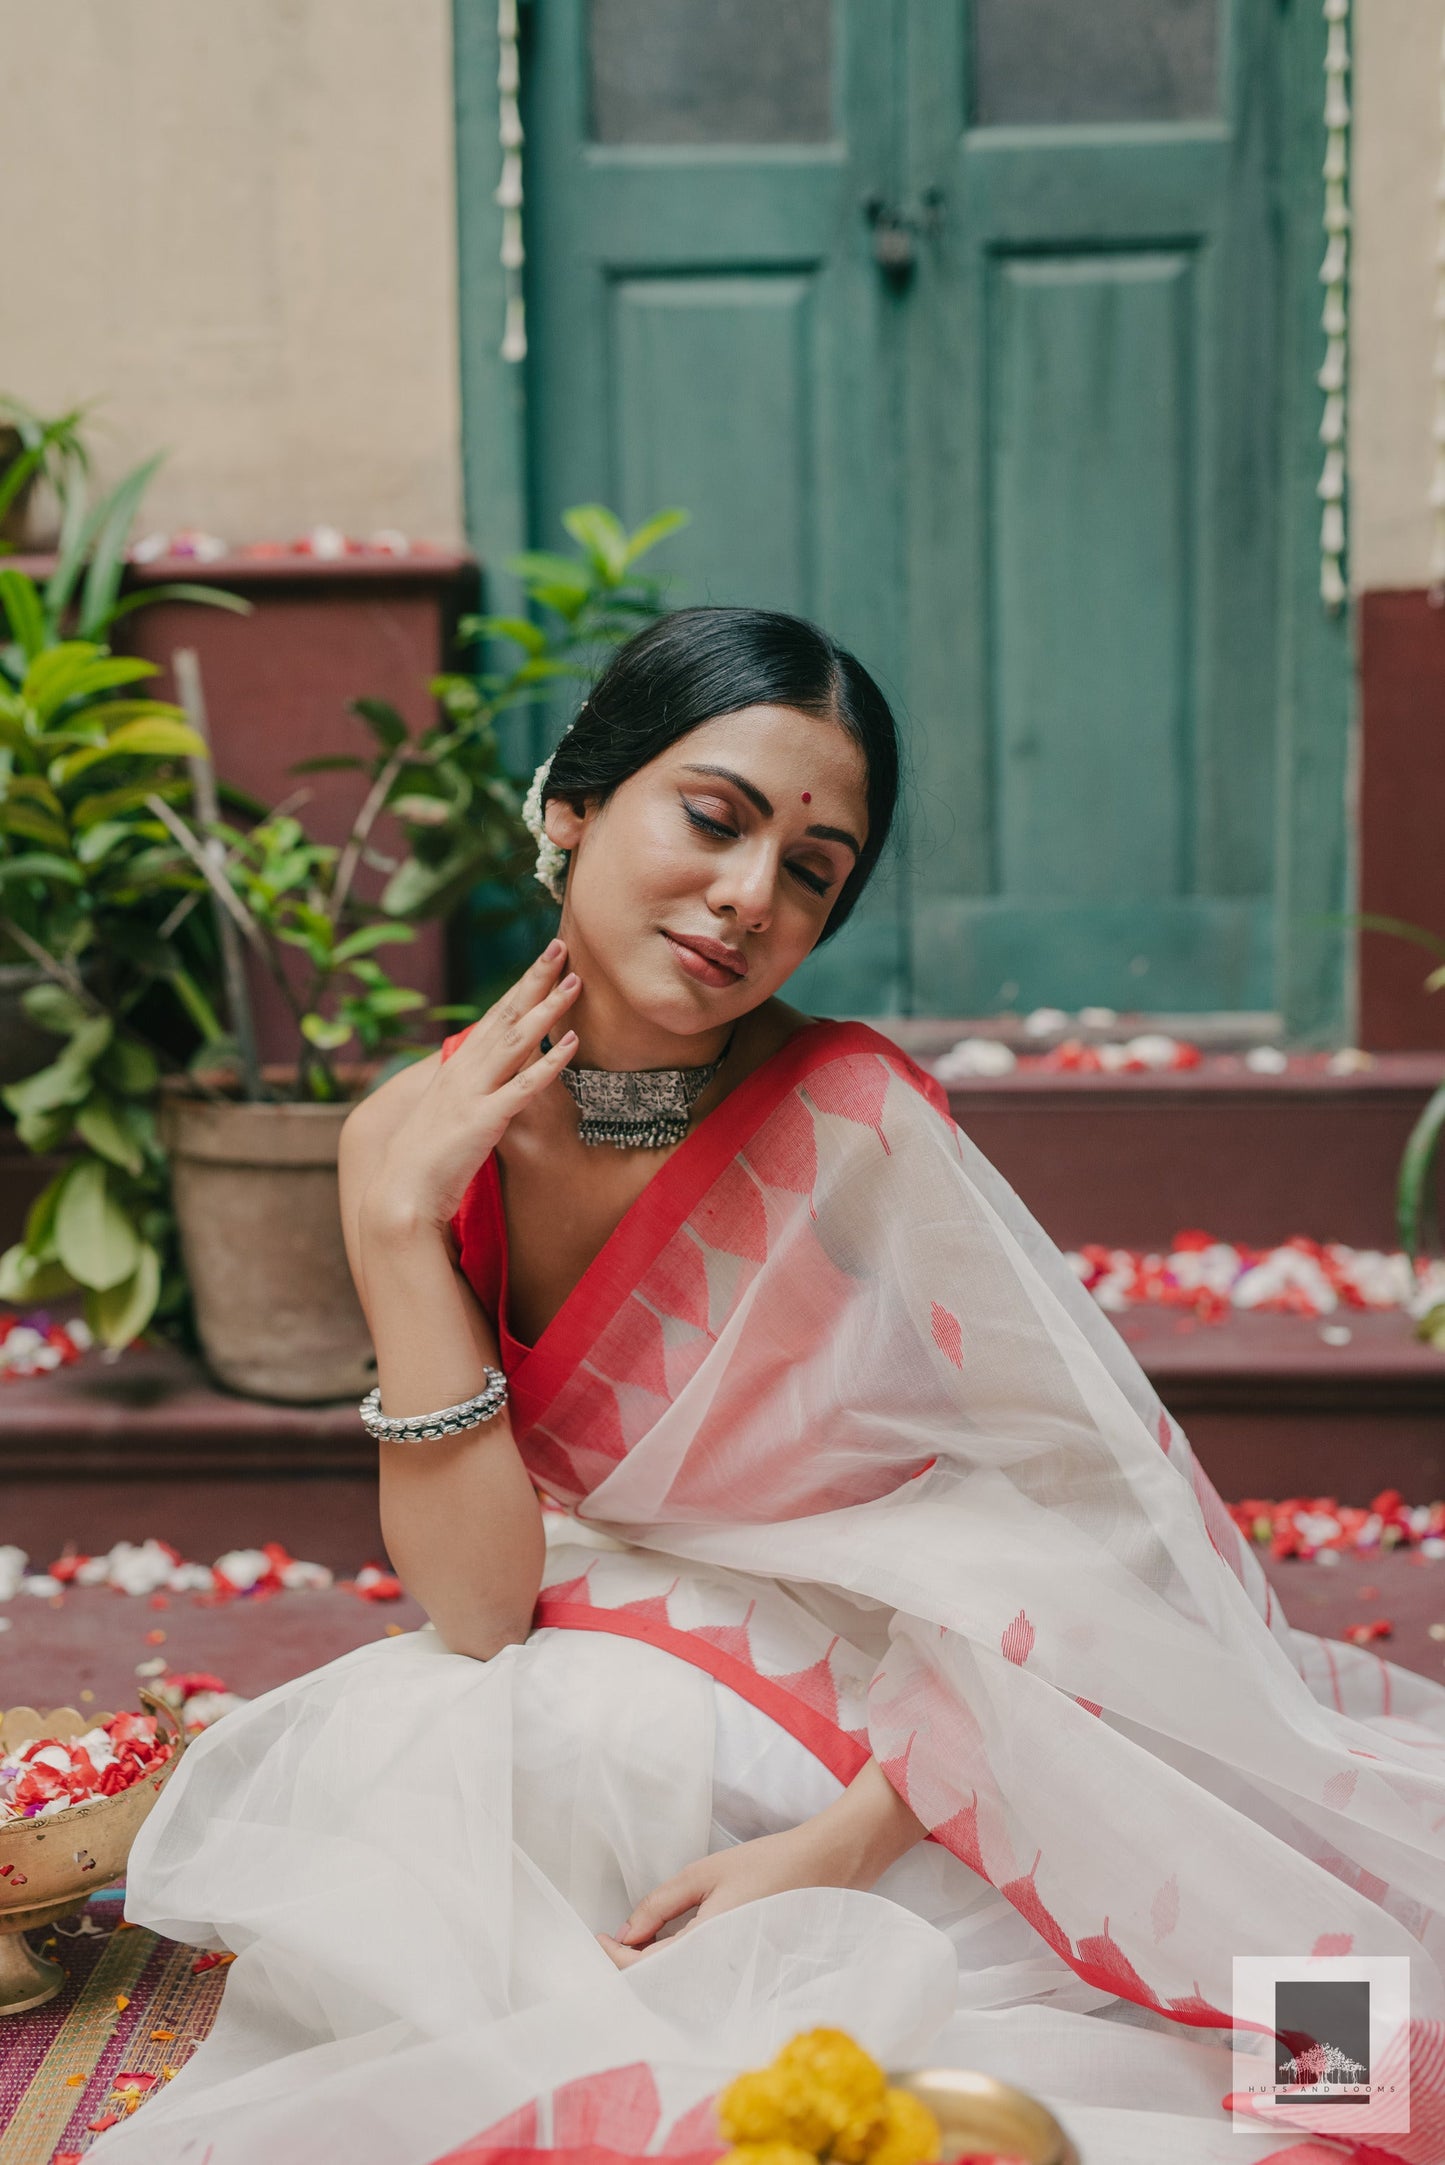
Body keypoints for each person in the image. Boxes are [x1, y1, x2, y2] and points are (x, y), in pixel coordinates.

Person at [95, 609, 1445, 2165]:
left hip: (924, 1710)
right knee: (464, 1751)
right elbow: (475, 1607)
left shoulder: (847, 1120)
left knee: (1295, 2029)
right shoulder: (407, 1136)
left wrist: (847, 1840)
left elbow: (1102, 1531)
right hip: (606, 1647)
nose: (748, 898)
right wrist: (404, 1229)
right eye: (714, 818)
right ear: (573, 805)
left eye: (811, 870)